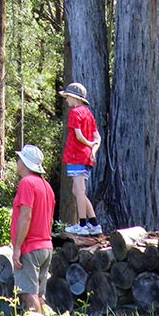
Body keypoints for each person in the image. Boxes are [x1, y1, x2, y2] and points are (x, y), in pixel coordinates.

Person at [11, 144, 55, 314]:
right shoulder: (47, 186)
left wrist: (17, 248)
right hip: (46, 247)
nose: (17, 162)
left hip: (30, 248)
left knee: (29, 294)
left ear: (25, 163)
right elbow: (50, 219)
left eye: (19, 159)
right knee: (39, 295)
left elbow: (25, 216)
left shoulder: (26, 183)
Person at [59, 82, 102, 236]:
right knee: (77, 191)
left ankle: (82, 225)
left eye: (67, 96)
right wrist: (93, 150)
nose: (66, 100)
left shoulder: (75, 112)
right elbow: (98, 137)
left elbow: (78, 135)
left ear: (74, 97)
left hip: (76, 155)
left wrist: (90, 145)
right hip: (84, 157)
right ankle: (94, 223)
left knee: (79, 190)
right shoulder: (88, 114)